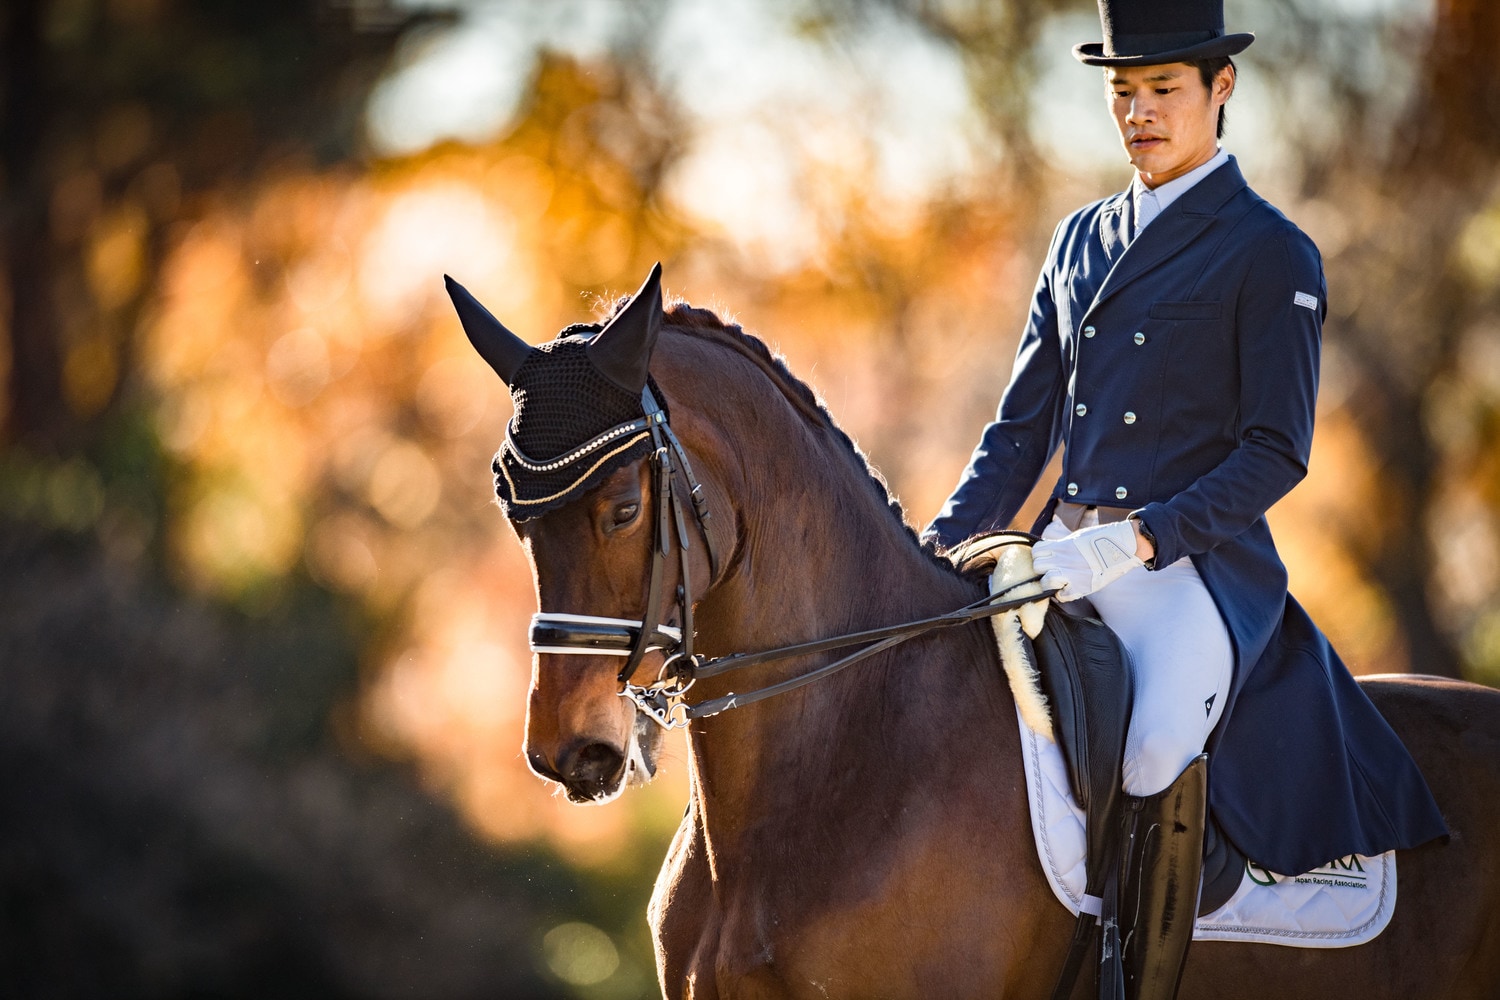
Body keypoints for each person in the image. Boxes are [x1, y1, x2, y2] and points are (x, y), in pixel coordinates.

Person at [922, 1, 1448, 997]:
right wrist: (941, 549)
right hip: (1058, 556)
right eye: (1124, 92)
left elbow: (1275, 453)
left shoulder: (1270, 250)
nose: (1140, 112)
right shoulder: (1077, 240)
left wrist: (1139, 541)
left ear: (1221, 88)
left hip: (1187, 570)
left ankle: (1133, 974)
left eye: (1163, 89)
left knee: (1159, 734)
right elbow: (1019, 433)